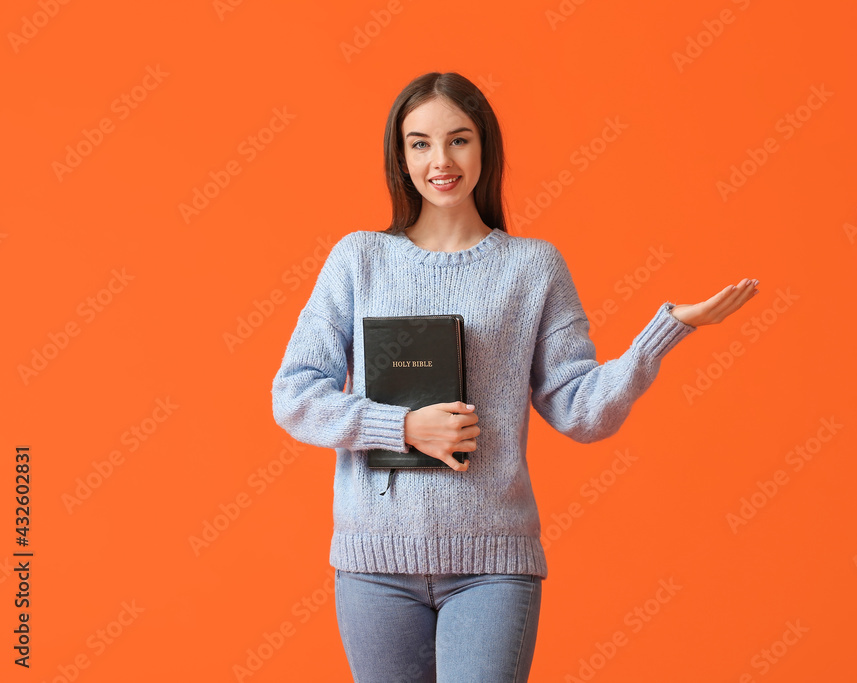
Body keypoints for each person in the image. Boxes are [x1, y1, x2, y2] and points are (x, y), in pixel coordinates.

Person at [271, 71, 758, 683]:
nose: (440, 160)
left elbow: (582, 411)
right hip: (374, 566)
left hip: (492, 565)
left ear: (485, 148)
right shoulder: (358, 258)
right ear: (400, 156)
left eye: (459, 139)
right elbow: (294, 394)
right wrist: (404, 426)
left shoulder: (533, 267)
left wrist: (660, 337)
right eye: (419, 143)